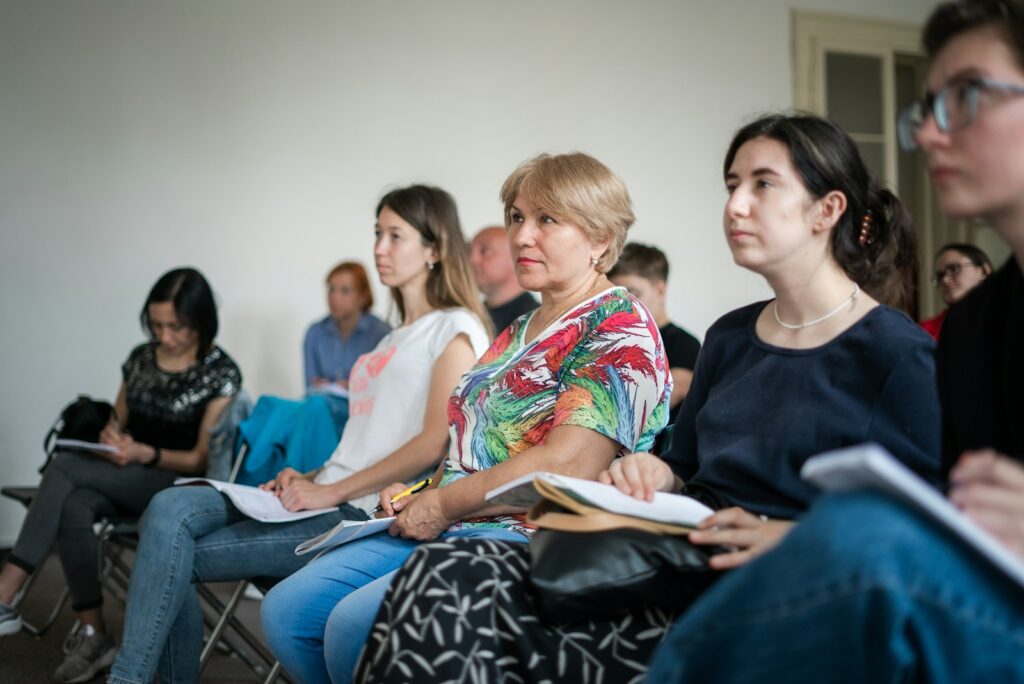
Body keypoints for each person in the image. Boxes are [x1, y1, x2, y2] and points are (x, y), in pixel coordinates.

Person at [354, 114, 943, 683]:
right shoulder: (733, 337)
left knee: (452, 589)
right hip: (682, 562)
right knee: (448, 580)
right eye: (732, 185)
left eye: (762, 184)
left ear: (828, 210)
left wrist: (784, 534)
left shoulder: (896, 353)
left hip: (785, 588)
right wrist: (651, 472)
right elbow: (685, 470)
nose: (735, 204)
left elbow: (926, 530)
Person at [642, 2, 1024, 681]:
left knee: (861, 539)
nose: (932, 134)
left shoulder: (901, 350)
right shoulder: (974, 328)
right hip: (726, 552)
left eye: (967, 96)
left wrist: (800, 540)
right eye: (928, 107)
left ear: (829, 212)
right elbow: (964, 515)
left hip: (868, 575)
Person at [260, 152, 671, 684]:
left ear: (599, 238)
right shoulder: (520, 327)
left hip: (527, 534)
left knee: (351, 629)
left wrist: (441, 503)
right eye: (518, 217)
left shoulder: (618, 325)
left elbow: (567, 466)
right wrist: (418, 491)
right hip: (454, 517)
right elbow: (473, 445)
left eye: (547, 220)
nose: (522, 236)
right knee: (289, 614)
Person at [106, 185, 491, 684]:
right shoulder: (393, 336)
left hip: (358, 510)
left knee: (170, 554)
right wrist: (306, 475)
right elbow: (363, 440)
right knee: (168, 507)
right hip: (329, 491)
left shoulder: (455, 328)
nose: (379, 247)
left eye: (396, 236)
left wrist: (330, 489)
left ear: (435, 248)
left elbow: (433, 444)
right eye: (378, 233)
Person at [0, 268, 241, 684]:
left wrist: (147, 452)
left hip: (173, 488)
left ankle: (6, 590)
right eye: (156, 324)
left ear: (200, 321)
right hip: (123, 475)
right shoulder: (140, 357)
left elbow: (201, 459)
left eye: (175, 327)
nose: (164, 336)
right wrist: (112, 436)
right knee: (74, 504)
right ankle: (94, 632)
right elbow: (118, 418)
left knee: (64, 466)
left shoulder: (221, 373)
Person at [609, 241, 701, 427]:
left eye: (631, 292)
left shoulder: (684, 344)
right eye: (614, 294)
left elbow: (658, 400)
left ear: (660, 290)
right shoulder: (609, 341)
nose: (621, 303)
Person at [304, 261, 390, 390]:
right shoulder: (315, 333)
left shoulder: (382, 334)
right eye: (331, 289)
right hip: (323, 407)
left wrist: (353, 388)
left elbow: (385, 388)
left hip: (364, 408)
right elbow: (310, 387)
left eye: (345, 291)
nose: (334, 297)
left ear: (363, 296)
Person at [469, 225, 538, 332]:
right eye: (469, 252)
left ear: (516, 258)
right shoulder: (469, 316)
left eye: (484, 251)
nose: (472, 260)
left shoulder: (534, 324)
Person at [920, 242, 992, 339]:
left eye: (954, 269)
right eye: (940, 276)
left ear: (984, 271)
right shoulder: (924, 331)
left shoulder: (1012, 319)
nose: (945, 280)